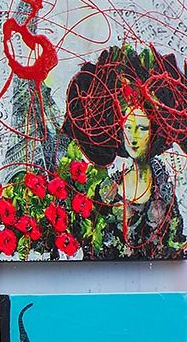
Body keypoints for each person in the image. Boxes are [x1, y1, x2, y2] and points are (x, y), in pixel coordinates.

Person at [63, 45, 187, 257]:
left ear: (153, 133)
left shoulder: (166, 196)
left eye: (142, 128)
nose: (133, 137)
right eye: (127, 127)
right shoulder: (104, 191)